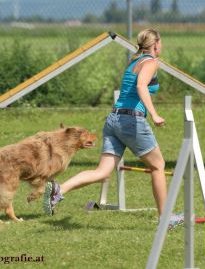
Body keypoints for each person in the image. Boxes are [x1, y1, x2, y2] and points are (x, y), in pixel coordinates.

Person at [43, 28, 184, 229]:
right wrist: (154, 114)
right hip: (130, 121)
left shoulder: (134, 62)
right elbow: (141, 87)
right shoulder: (151, 62)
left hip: (114, 120)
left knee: (102, 172)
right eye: (161, 43)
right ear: (156, 44)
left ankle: (59, 190)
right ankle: (165, 219)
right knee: (158, 166)